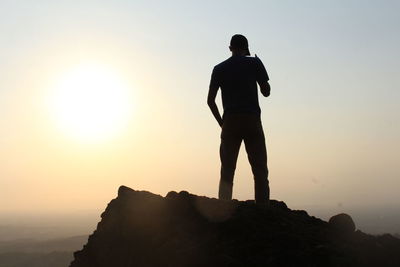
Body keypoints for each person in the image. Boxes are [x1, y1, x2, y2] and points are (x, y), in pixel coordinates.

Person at [207, 34, 271, 205]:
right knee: (260, 171)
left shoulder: (219, 68)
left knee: (227, 171)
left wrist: (222, 123)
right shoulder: (254, 63)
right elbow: (266, 91)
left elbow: (210, 101)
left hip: (230, 121)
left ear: (230, 48)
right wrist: (260, 65)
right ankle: (263, 210)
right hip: (252, 120)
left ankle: (223, 209)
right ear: (246, 49)